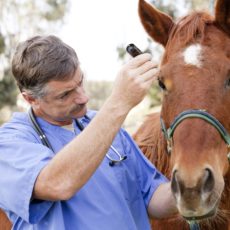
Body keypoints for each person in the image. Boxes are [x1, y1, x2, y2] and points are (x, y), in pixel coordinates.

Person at [0, 35, 177, 230]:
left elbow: (151, 196)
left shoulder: (105, 126)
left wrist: (188, 191)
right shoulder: (10, 143)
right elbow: (56, 184)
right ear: (31, 99)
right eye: (65, 94)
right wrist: (119, 102)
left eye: (80, 82)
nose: (84, 98)